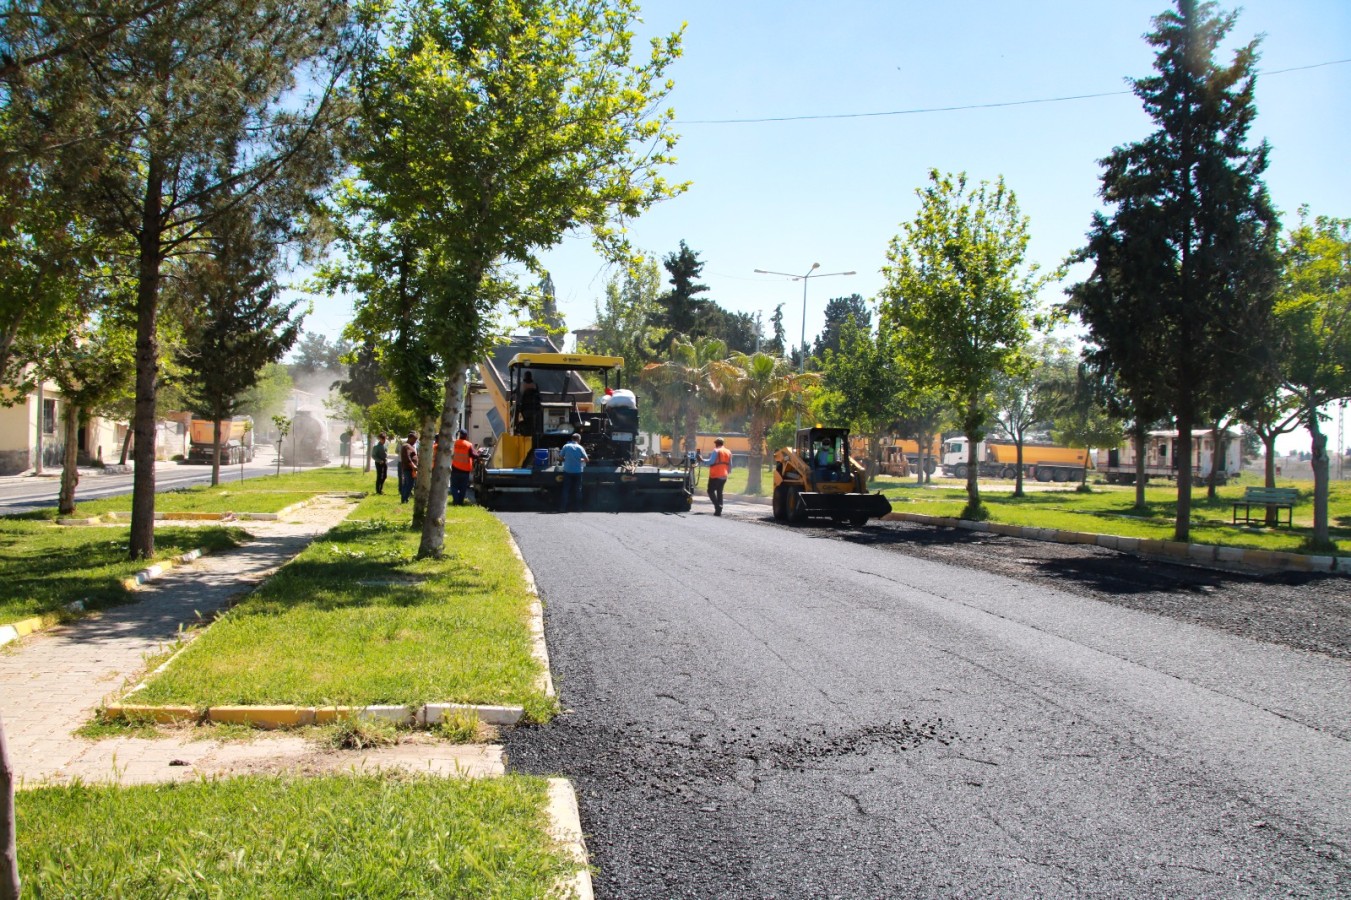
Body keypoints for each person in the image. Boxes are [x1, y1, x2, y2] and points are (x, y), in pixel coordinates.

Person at [702, 437, 732, 516]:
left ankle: (717, 506)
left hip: (715, 475)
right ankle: (719, 510)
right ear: (722, 443)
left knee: (710, 491)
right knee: (720, 492)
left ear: (716, 443)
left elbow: (711, 462)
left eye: (715, 443)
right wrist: (727, 473)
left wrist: (702, 460)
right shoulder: (728, 451)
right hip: (724, 476)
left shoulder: (716, 451)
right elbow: (730, 465)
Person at [559, 432, 588, 512]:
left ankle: (563, 508)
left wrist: (567, 459)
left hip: (567, 471)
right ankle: (578, 508)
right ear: (578, 439)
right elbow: (587, 460)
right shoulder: (580, 447)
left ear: (572, 439)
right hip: (578, 472)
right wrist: (580, 459)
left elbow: (560, 458)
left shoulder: (566, 446)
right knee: (578, 490)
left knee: (566, 490)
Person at [450, 429, 477, 506]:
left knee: (454, 487)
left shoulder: (454, 443)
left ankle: (455, 501)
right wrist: (479, 454)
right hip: (465, 470)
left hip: (455, 469)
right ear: (466, 436)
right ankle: (460, 502)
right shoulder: (468, 445)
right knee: (463, 488)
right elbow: (473, 455)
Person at [398, 430, 418, 504]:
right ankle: (404, 499)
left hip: (410, 469)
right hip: (409, 469)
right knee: (409, 484)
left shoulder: (410, 446)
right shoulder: (406, 446)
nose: (415, 442)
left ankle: (405, 499)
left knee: (408, 484)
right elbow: (407, 457)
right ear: (410, 438)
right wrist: (413, 466)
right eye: (414, 440)